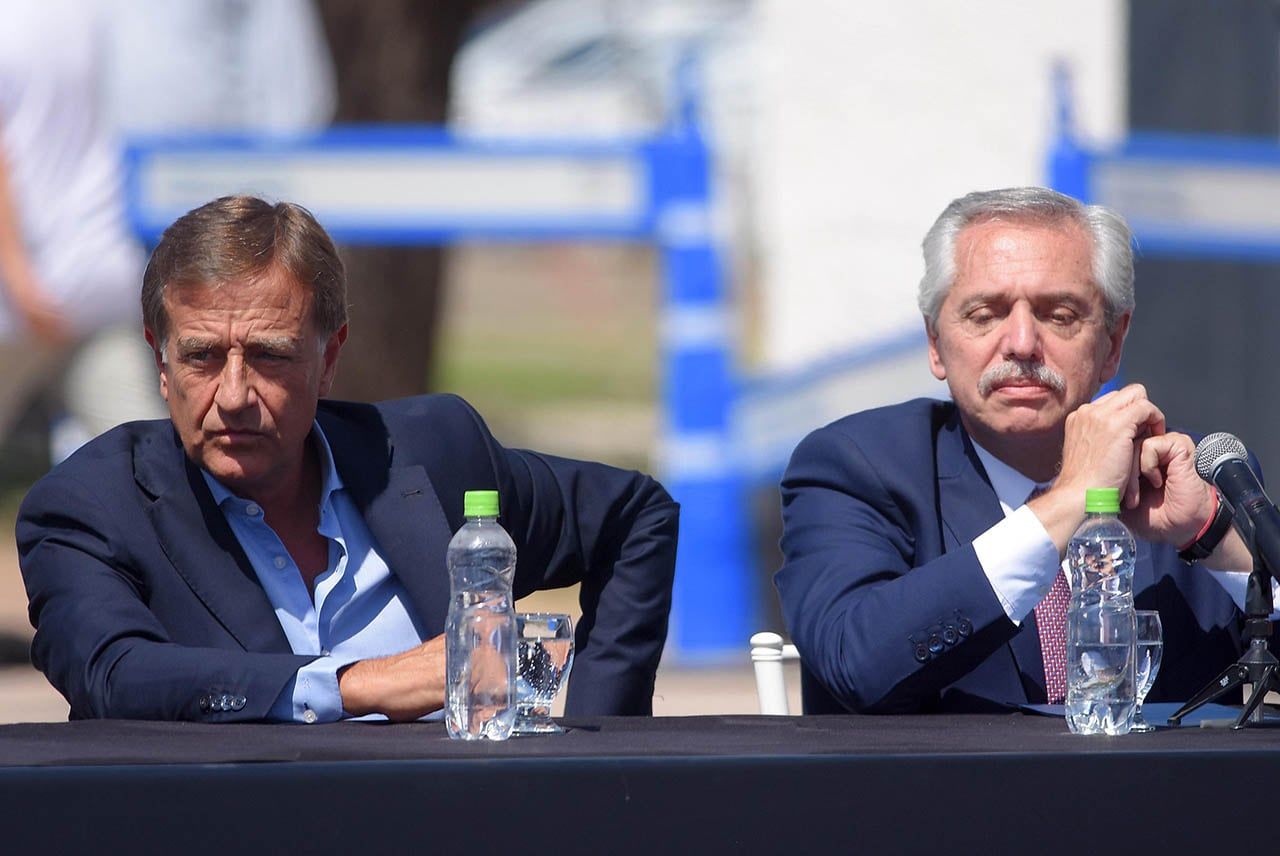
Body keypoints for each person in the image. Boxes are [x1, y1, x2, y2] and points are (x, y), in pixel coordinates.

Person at [16, 195, 678, 723]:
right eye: (202, 356)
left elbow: (633, 514)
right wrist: (361, 683)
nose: (234, 395)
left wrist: (604, 758)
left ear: (329, 357)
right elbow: (114, 673)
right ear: (159, 360)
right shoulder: (91, 505)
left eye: (270, 355)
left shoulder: (430, 452)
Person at [777, 186, 1256, 714]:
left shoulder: (1191, 480)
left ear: (1113, 344)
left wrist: (1214, 537)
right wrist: (1069, 500)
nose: (1023, 343)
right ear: (935, 343)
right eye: (985, 314)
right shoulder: (853, 468)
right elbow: (855, 663)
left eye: (1060, 314)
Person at [0, 0, 165, 462]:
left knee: (143, 459)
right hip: (102, 275)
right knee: (146, 465)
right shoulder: (107, 14)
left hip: (23, 300)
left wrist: (17, 277)